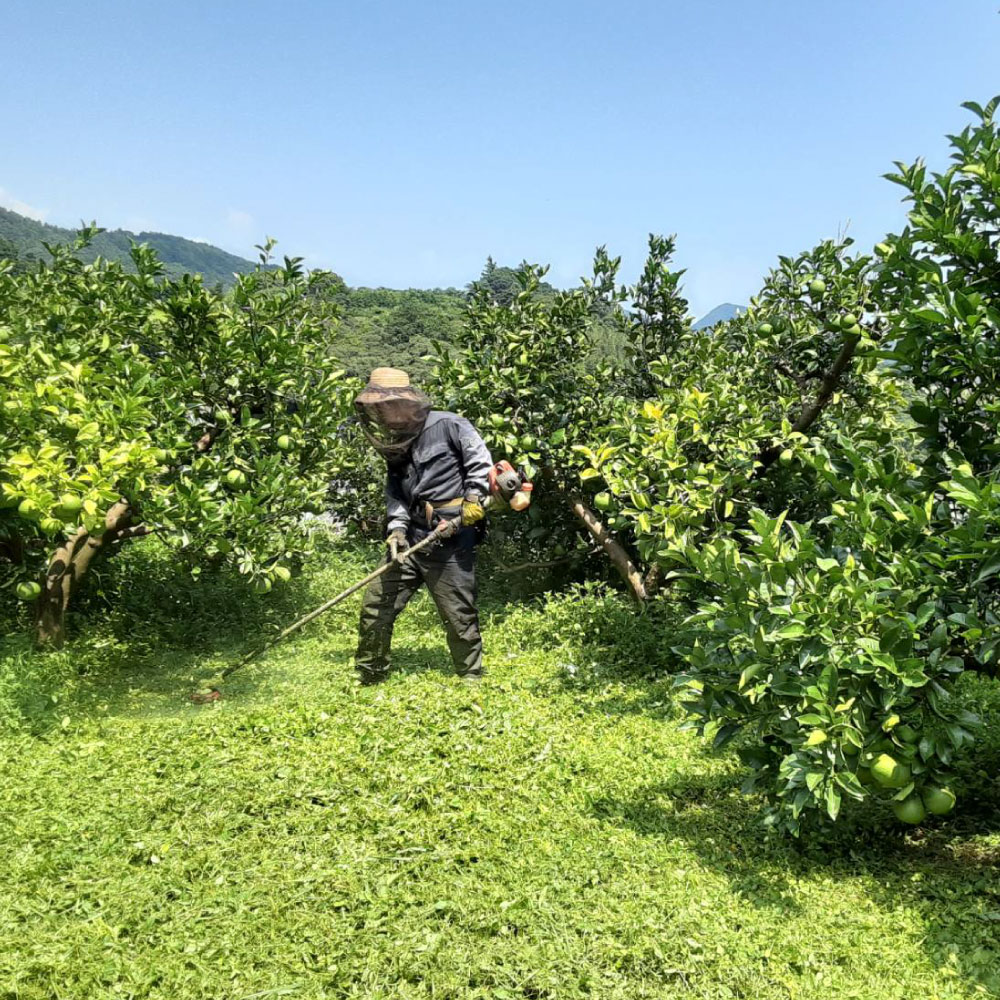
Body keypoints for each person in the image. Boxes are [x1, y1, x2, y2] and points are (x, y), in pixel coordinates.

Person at [353, 367, 493, 685]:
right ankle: (370, 672)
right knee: (376, 602)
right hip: (411, 536)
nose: (381, 412)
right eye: (376, 407)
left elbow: (480, 464)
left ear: (403, 402)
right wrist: (397, 530)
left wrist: (472, 502)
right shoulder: (394, 442)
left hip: (452, 537)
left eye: (385, 405)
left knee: (458, 611)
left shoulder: (449, 424)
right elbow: (397, 492)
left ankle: (470, 675)